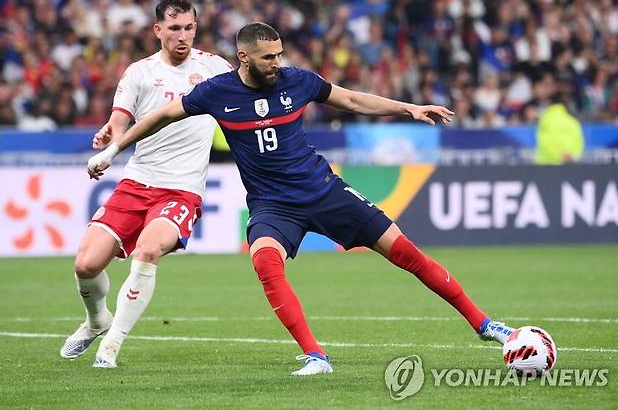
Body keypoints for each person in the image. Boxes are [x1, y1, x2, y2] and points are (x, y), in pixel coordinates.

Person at [87, 22, 515, 376]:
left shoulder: (298, 80)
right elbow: (162, 113)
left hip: (322, 190)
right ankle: (316, 356)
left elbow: (348, 98)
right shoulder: (218, 92)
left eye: (279, 54)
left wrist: (408, 108)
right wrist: (113, 149)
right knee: (263, 260)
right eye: (268, 57)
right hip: (273, 206)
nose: (277, 63)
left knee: (404, 251)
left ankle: (485, 324)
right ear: (244, 58)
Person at [60, 0, 232, 368]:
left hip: (183, 189)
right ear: (158, 30)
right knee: (85, 265)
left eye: (189, 27)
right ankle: (96, 322)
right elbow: (120, 118)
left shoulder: (216, 69)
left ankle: (112, 347)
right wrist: (111, 136)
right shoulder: (139, 73)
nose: (183, 35)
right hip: (137, 182)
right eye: (174, 28)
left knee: (149, 251)